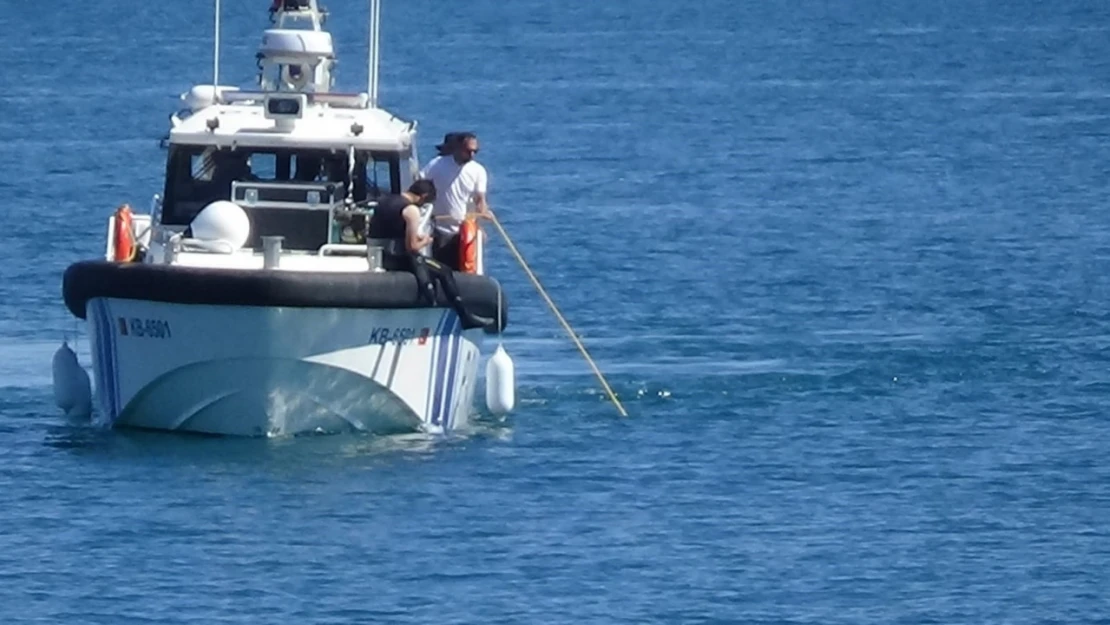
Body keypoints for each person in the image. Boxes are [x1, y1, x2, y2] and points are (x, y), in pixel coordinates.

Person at [367, 180, 492, 328]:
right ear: (423, 197)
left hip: (382, 256)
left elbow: (392, 230)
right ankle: (464, 316)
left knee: (421, 261)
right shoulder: (411, 210)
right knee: (444, 271)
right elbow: (412, 247)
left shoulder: (386, 201)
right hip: (399, 258)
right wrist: (426, 241)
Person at [418, 132, 489, 270]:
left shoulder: (478, 171)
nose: (472, 155)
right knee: (441, 269)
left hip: (465, 231)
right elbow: (420, 184)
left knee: (465, 270)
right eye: (468, 151)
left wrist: (483, 218)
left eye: (475, 151)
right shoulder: (437, 165)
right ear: (458, 147)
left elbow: (480, 201)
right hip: (440, 230)